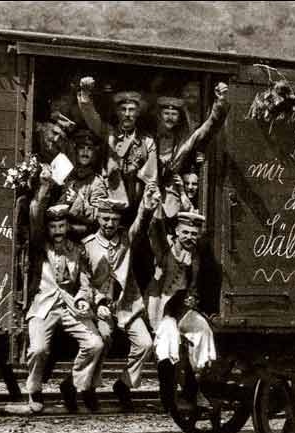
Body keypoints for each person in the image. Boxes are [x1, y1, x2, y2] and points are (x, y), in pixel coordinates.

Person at [24, 166, 104, 414]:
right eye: (53, 227)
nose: (57, 231)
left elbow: (85, 281)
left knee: (95, 344)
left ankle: (76, 384)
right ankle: (34, 390)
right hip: (44, 305)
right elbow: (35, 215)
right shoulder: (40, 246)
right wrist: (45, 187)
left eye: (61, 226)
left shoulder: (76, 249)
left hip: (70, 305)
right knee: (38, 349)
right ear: (48, 229)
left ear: (66, 226)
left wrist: (83, 299)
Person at [82, 184, 160, 411]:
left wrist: (146, 204)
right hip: (101, 307)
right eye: (105, 219)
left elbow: (140, 224)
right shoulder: (87, 246)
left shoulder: (127, 239)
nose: (109, 224)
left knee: (145, 344)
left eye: (114, 220)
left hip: (127, 305)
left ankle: (124, 385)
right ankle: (89, 387)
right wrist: (97, 303)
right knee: (103, 338)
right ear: (98, 217)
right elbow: (85, 280)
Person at [147, 211, 216, 415]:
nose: (189, 237)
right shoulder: (164, 249)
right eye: (185, 232)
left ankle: (195, 389)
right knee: (168, 343)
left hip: (183, 309)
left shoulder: (196, 254)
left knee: (203, 332)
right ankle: (167, 399)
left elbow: (194, 286)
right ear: (176, 232)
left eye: (194, 233)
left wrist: (193, 300)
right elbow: (154, 231)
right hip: (162, 309)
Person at [77, 76, 158, 217]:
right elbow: (91, 117)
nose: (127, 114)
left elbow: (151, 177)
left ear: (138, 113)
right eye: (123, 110)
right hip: (110, 200)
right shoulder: (108, 132)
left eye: (132, 110)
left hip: (136, 201)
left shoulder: (147, 141)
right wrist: (85, 94)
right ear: (117, 112)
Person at [58, 129, 109, 240]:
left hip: (85, 236)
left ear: (94, 153)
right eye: (82, 148)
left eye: (89, 149)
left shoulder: (97, 182)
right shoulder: (68, 177)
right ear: (76, 151)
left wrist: (77, 201)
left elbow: (98, 216)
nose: (85, 152)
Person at [170, 82, 230, 175]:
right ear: (181, 94)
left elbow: (211, 123)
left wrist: (220, 101)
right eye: (187, 90)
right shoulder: (176, 116)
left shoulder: (203, 114)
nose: (191, 93)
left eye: (194, 90)